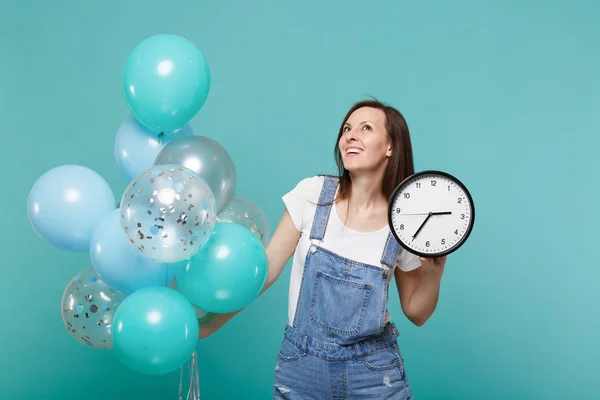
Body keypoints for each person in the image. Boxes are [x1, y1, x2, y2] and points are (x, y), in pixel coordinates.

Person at [199, 99, 447, 399]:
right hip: (301, 367)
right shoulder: (313, 194)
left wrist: (434, 272)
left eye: (365, 128)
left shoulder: (405, 222)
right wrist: (211, 323)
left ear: (390, 147)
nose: (350, 136)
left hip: (373, 373)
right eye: (346, 129)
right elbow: (266, 270)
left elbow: (416, 312)